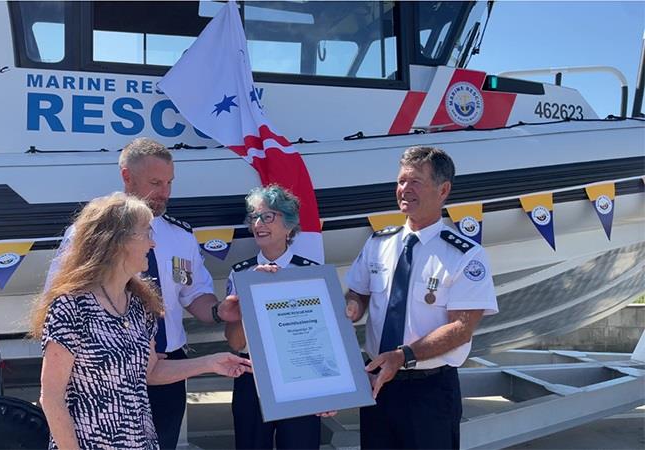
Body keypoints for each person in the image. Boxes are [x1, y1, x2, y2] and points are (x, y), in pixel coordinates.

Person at [46, 138, 240, 449]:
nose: (165, 192)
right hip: (102, 376)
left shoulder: (180, 236)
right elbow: (60, 297)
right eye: (155, 182)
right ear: (126, 176)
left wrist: (220, 312)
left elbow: (194, 294)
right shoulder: (89, 235)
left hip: (167, 369)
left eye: (169, 182)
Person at [345, 146, 498, 449]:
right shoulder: (379, 243)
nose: (404, 189)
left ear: (443, 190)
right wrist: (351, 308)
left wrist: (403, 356)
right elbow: (358, 293)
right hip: (377, 384)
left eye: (415, 182)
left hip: (428, 390)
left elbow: (461, 328)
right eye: (401, 181)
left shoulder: (466, 256)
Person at [225, 184, 331, 449]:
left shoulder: (311, 273)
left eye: (268, 216)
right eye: (255, 217)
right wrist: (248, 293)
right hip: (253, 376)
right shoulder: (241, 274)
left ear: (289, 225)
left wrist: (331, 393)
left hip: (301, 377)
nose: (259, 223)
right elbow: (236, 343)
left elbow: (324, 340)